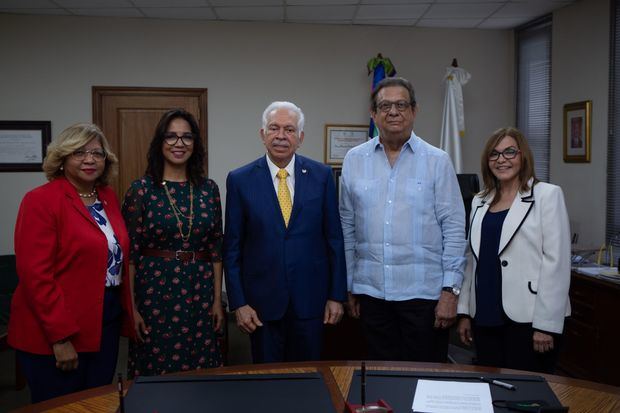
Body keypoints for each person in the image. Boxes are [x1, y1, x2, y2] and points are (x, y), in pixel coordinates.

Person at [340, 77, 467, 362]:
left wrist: (450, 290)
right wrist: (348, 285)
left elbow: (455, 229)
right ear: (373, 114)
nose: (393, 112)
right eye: (385, 106)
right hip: (371, 295)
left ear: (414, 111)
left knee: (425, 381)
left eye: (401, 105)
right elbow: (347, 227)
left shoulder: (438, 161)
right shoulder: (354, 159)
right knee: (378, 380)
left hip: (424, 297)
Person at [8, 123, 135, 403]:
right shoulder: (41, 200)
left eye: (97, 153)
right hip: (56, 326)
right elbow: (35, 275)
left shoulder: (107, 198)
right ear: (62, 158)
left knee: (97, 402)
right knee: (61, 406)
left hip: (105, 319)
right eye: (79, 152)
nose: (89, 159)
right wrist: (60, 338)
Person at [223, 101, 347, 363]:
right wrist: (239, 303)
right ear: (262, 134)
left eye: (289, 129)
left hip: (311, 303)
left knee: (309, 381)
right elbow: (232, 247)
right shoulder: (240, 180)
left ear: (300, 138)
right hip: (260, 307)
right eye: (274, 128)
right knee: (268, 385)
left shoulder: (322, 176)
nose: (281, 136)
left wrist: (337, 296)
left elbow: (334, 240)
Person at [457, 127, 571, 373]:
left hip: (529, 319)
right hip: (485, 315)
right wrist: (465, 312)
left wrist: (546, 325)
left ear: (523, 156)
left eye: (509, 152)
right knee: (491, 392)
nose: (502, 159)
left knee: (528, 397)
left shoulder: (547, 196)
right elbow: (470, 259)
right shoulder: (480, 200)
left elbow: (556, 263)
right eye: (494, 154)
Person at [122, 108, 224, 377]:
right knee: (158, 368)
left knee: (202, 369)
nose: (179, 144)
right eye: (171, 136)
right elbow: (130, 254)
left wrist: (217, 301)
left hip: (200, 290)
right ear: (160, 142)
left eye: (187, 137)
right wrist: (132, 308)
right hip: (156, 292)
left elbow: (215, 248)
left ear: (195, 144)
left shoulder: (208, 189)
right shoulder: (141, 189)